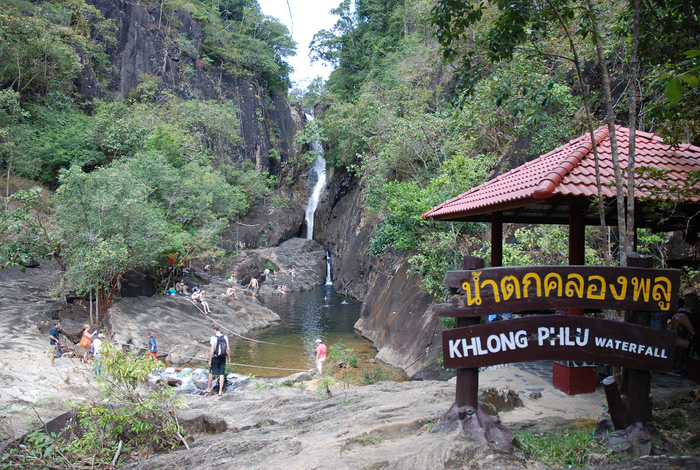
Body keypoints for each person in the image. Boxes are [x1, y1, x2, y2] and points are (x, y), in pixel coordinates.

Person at [205, 325, 229, 397]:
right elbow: (228, 348)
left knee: (211, 372)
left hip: (215, 357)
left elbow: (212, 349)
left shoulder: (213, 338)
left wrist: (210, 359)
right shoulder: (225, 337)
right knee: (221, 374)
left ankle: (208, 388)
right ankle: (220, 391)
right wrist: (229, 358)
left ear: (215, 330)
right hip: (223, 357)